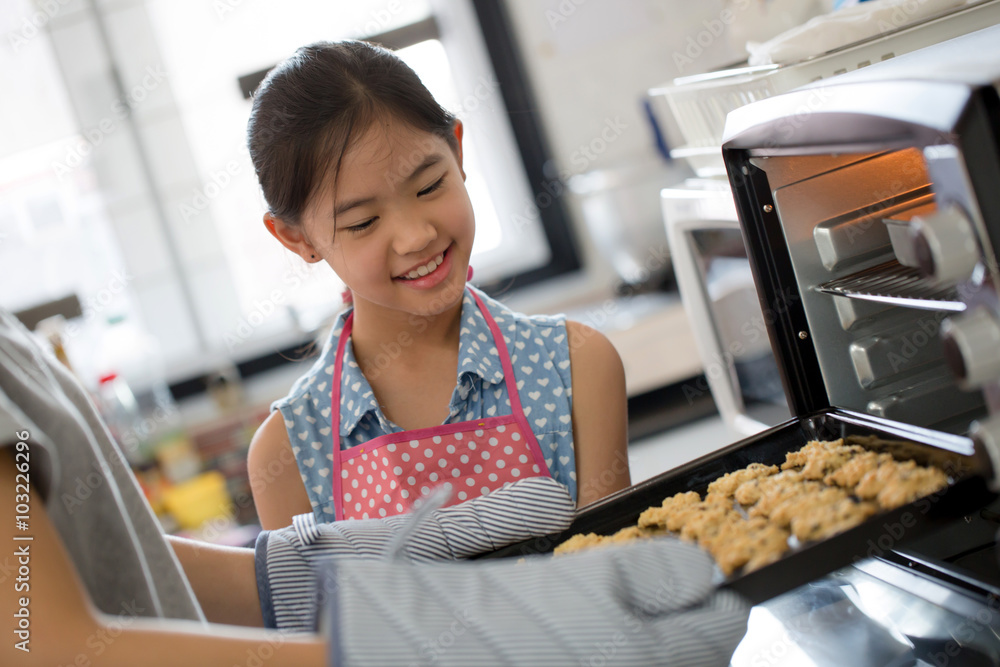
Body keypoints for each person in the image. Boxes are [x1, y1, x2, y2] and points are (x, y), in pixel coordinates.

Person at [0, 306, 749, 666]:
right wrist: (423, 652)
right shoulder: (292, 437)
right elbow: (39, 642)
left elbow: (85, 566)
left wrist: (306, 569)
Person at [245, 40, 631, 529]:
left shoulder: (575, 366)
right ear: (296, 237)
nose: (416, 236)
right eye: (363, 222)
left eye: (429, 187)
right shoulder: (288, 453)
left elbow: (616, 574)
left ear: (457, 150)